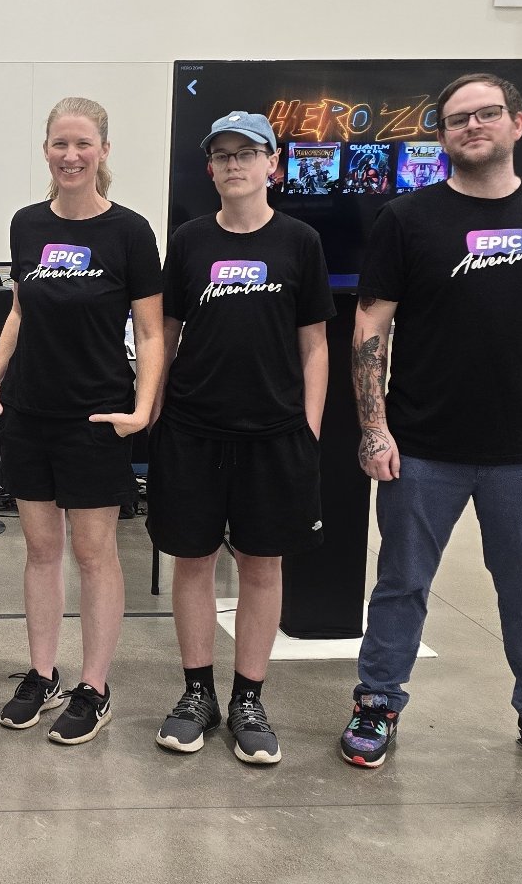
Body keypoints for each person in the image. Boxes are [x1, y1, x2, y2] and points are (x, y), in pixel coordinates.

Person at [342, 73, 522, 785]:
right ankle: (377, 702)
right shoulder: (407, 219)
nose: (471, 126)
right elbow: (371, 325)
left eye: (486, 113)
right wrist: (375, 428)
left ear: (516, 123)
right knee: (400, 583)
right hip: (423, 445)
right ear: (441, 135)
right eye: (456, 118)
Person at [149, 112, 331, 761]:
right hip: (193, 431)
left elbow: (315, 344)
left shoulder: (300, 242)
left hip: (274, 435)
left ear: (272, 165)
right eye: (221, 155)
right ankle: (196, 692)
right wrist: (156, 412)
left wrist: (307, 428)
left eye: (246, 153)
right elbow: (164, 338)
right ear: (209, 169)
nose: (233, 164)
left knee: (262, 564)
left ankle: (248, 697)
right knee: (193, 560)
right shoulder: (191, 241)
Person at [0, 96, 164, 746]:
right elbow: (18, 309)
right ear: (45, 150)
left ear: (104, 152)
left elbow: (150, 332)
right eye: (60, 144)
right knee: (40, 550)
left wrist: (144, 408)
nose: (71, 155)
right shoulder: (26, 224)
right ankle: (42, 673)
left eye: (83, 144)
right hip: (30, 411)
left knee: (94, 554)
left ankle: (95, 684)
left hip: (95, 415)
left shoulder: (130, 233)